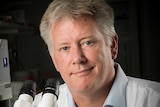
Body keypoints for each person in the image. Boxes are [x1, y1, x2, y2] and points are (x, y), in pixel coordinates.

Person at [33, 0, 160, 107]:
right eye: (65, 48)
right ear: (54, 59)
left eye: (88, 43)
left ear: (113, 45)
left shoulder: (154, 100)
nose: (77, 58)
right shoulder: (37, 105)